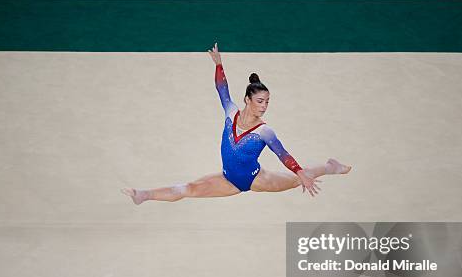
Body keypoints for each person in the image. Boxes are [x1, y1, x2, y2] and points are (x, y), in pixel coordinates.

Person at [122, 42, 351, 204]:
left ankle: (330, 167)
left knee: (295, 181)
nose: (264, 106)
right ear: (247, 100)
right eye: (260, 101)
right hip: (227, 180)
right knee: (188, 189)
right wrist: (218, 64)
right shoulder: (231, 112)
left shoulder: (264, 131)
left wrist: (300, 172)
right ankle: (143, 195)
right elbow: (222, 89)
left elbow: (283, 154)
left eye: (267, 102)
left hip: (256, 179)